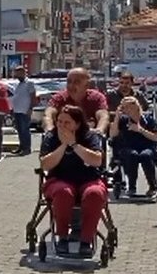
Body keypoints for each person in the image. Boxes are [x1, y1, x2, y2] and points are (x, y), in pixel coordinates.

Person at [39, 105, 108, 254]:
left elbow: (97, 160)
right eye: (59, 122)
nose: (62, 126)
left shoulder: (90, 136)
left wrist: (74, 145)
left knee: (94, 193)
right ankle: (62, 237)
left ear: (77, 124)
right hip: (59, 179)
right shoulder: (51, 137)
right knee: (63, 192)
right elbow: (45, 163)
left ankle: (86, 241)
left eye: (67, 122)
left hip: (88, 179)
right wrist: (64, 145)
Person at [108, 96, 157, 196]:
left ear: (136, 107)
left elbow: (156, 137)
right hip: (127, 147)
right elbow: (113, 134)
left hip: (146, 147)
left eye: (129, 107)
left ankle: (153, 186)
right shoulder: (123, 120)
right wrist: (116, 118)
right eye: (124, 107)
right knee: (132, 155)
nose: (127, 110)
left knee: (146, 155)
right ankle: (131, 187)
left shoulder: (148, 120)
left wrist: (140, 130)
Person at [43, 67, 110, 133]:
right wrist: (49, 128)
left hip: (89, 137)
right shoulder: (59, 97)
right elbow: (48, 114)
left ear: (87, 85)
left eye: (76, 82)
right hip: (62, 137)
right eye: (69, 82)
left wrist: (100, 129)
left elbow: (103, 116)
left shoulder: (97, 97)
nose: (71, 85)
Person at [9, 65, 37, 156]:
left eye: (19, 73)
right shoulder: (18, 84)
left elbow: (33, 96)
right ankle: (21, 147)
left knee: (25, 130)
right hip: (17, 110)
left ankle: (27, 149)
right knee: (19, 130)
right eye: (16, 73)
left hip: (25, 110)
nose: (17, 75)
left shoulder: (29, 83)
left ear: (23, 73)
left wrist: (30, 109)